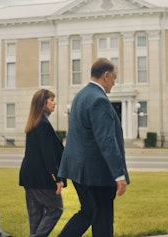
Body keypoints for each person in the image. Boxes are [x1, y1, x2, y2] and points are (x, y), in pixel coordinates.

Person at [58, 58, 130, 237]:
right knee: (103, 219)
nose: (114, 83)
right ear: (106, 76)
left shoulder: (80, 96)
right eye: (114, 78)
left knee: (88, 212)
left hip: (78, 171)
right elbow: (106, 140)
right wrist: (118, 174)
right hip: (97, 174)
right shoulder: (99, 100)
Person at [19, 89, 66, 237]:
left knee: (36, 217)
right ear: (43, 103)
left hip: (29, 177)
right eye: (52, 100)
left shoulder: (34, 123)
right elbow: (48, 156)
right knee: (56, 209)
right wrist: (57, 179)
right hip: (42, 179)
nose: (55, 103)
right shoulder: (43, 124)